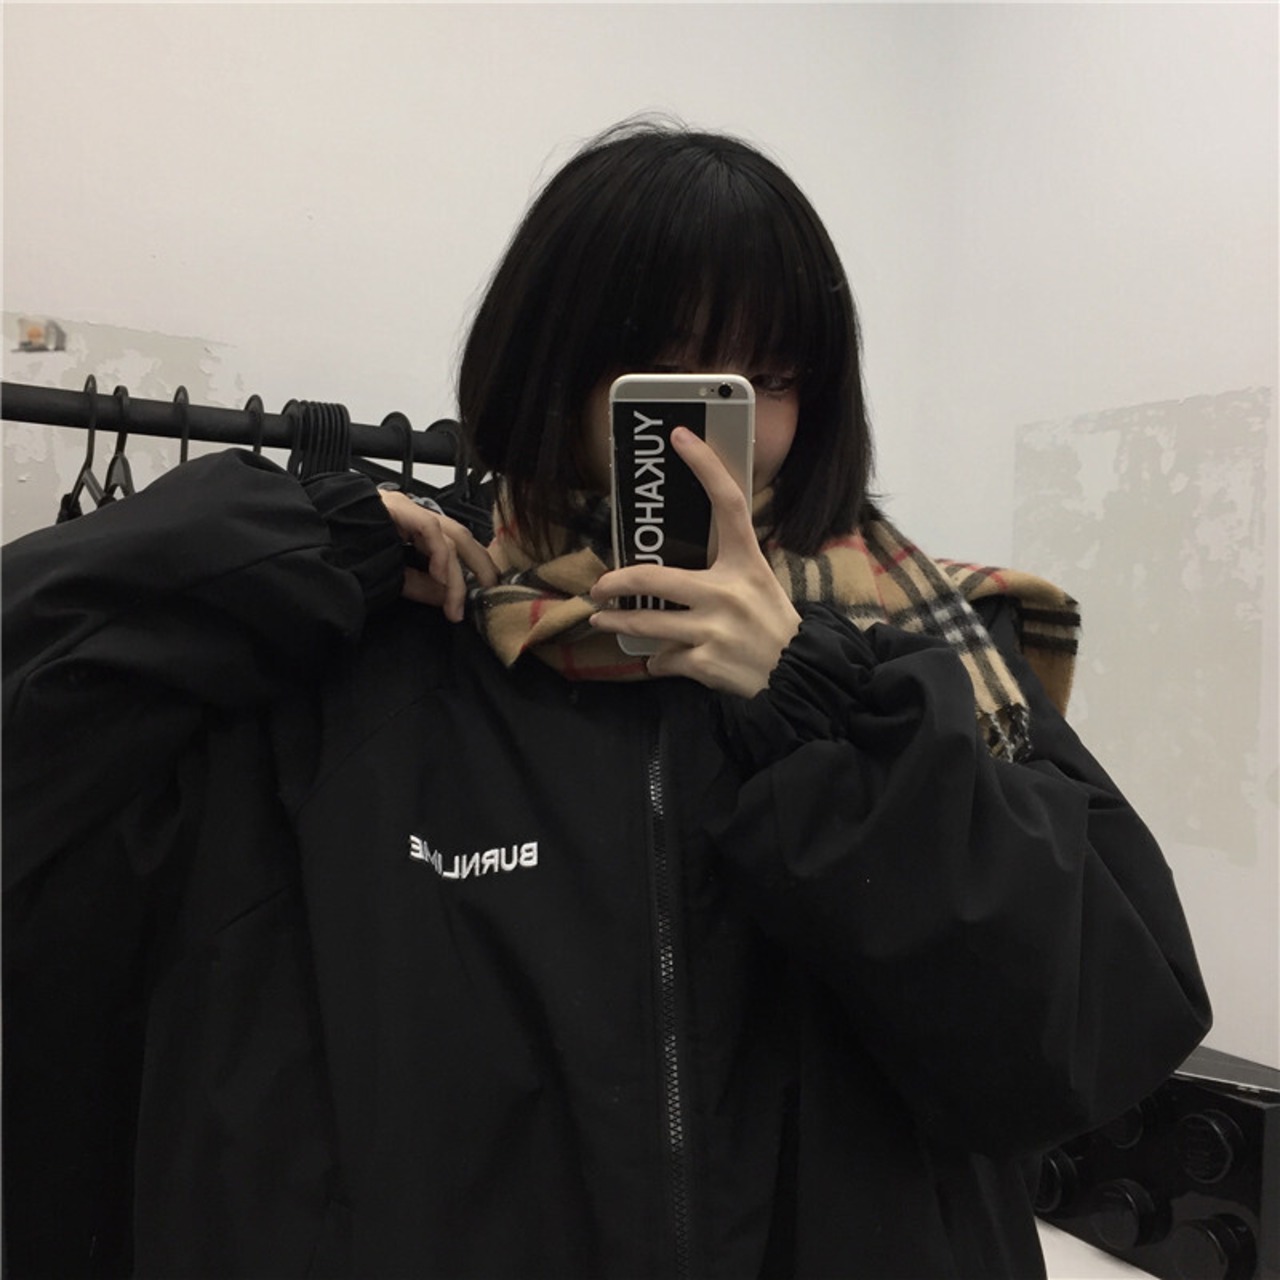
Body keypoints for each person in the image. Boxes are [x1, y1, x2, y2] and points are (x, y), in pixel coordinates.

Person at [2, 119, 1210, 1280]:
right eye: (667, 367)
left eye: (771, 376)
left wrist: (816, 708)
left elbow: (1097, 1027)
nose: (721, 421)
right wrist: (277, 542)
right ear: (553, 359)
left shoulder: (909, 655)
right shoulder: (377, 644)